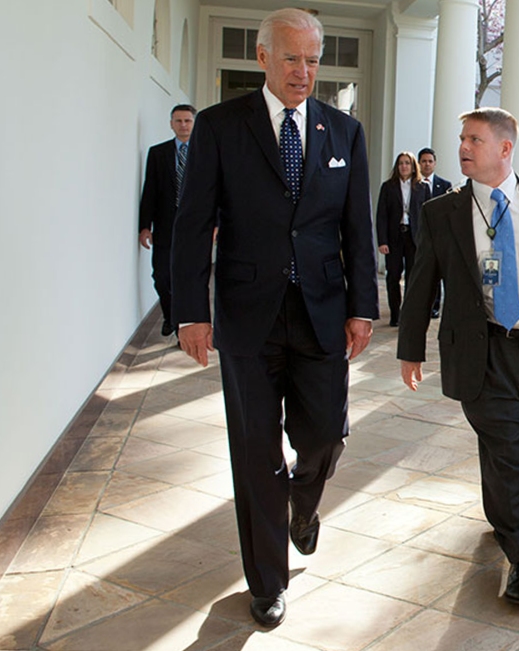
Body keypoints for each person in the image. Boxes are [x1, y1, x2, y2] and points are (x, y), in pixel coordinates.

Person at [170, 8, 378, 628]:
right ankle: (267, 581)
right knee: (255, 452)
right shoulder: (219, 126)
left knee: (326, 435)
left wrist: (364, 305)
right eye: (291, 59)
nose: (304, 72)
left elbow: (355, 229)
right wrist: (190, 312)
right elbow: (191, 226)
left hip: (322, 312)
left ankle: (304, 507)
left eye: (313, 60)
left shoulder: (345, 131)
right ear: (263, 57)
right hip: (244, 317)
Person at [397, 107, 519, 606]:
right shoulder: (440, 212)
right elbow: (421, 284)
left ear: (505, 149)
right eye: (462, 138)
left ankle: (502, 513)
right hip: (482, 351)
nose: (462, 147)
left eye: (475, 139)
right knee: (505, 447)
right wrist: (410, 347)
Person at [139, 104, 195, 337]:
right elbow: (149, 191)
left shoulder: (206, 152)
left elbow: (217, 191)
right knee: (161, 277)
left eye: (187, 121)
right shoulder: (158, 153)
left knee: (189, 280)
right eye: (178, 121)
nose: (183, 125)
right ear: (171, 124)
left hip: (194, 228)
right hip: (164, 227)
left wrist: (216, 224)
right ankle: (171, 316)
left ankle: (183, 327)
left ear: (194, 123)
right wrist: (144, 226)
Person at [376, 152, 429, 327]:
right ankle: (395, 314)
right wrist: (382, 241)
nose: (404, 166)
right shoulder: (388, 187)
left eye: (407, 163)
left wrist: (427, 240)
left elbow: (428, 216)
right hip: (395, 236)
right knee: (393, 275)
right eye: (401, 163)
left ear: (413, 166)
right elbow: (381, 216)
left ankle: (408, 313)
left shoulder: (422, 187)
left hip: (414, 237)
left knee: (413, 278)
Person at [418, 147, 452, 318]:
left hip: (439, 235)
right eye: (424, 161)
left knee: (437, 273)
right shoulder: (414, 185)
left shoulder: (444, 185)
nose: (427, 164)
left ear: (435, 163)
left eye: (430, 161)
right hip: (417, 235)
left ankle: (435, 306)